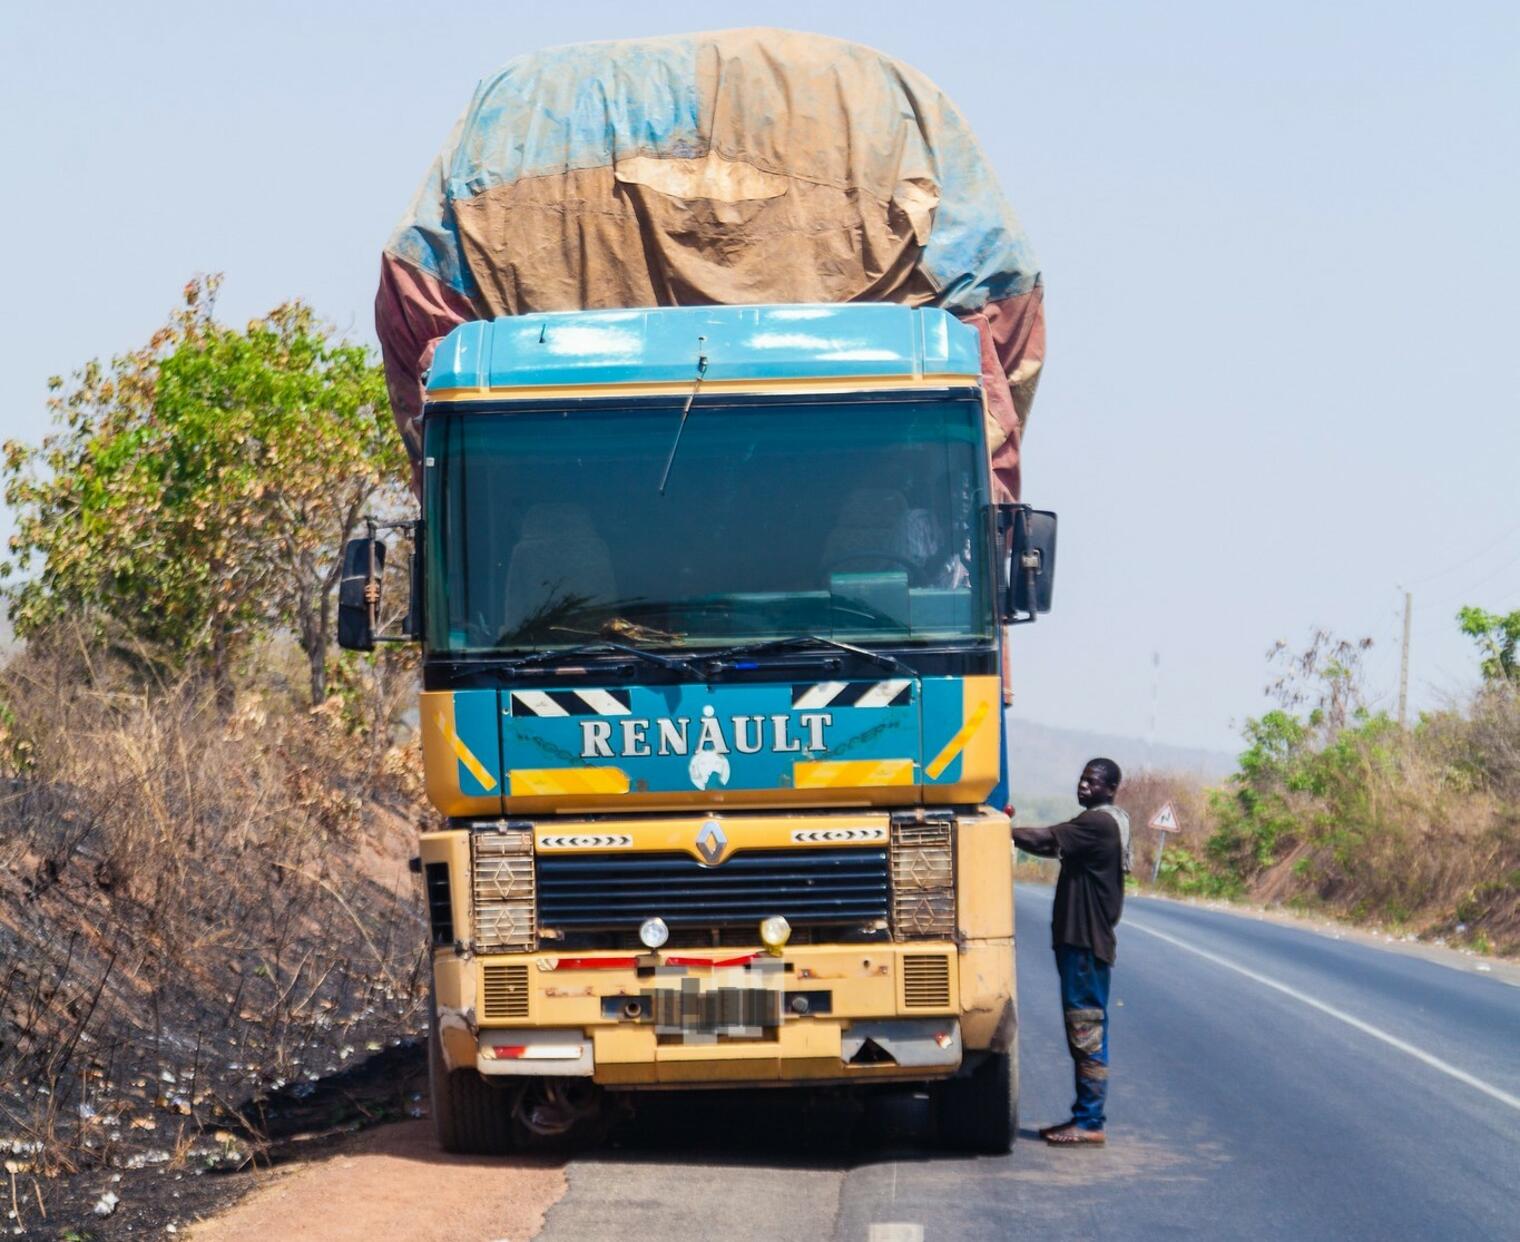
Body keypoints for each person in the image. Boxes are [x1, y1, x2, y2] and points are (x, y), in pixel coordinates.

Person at [1012, 758, 1131, 1146]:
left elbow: (1045, 839)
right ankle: (1086, 1116)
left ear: (1110, 788)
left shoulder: (1097, 823)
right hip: (1085, 944)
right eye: (1082, 779)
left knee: (1086, 1031)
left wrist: (999, 830)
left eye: (1092, 782)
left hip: (1085, 944)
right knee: (1085, 1028)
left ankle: (1089, 1120)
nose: (1083, 786)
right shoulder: (1108, 822)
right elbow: (1054, 847)